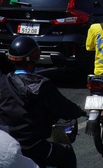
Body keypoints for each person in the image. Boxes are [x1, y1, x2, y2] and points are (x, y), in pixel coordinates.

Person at [0, 36, 85, 168]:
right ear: (35, 57)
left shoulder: (2, 82)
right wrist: (79, 111)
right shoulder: (42, 85)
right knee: (66, 155)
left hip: (5, 146)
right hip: (33, 147)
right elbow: (65, 108)